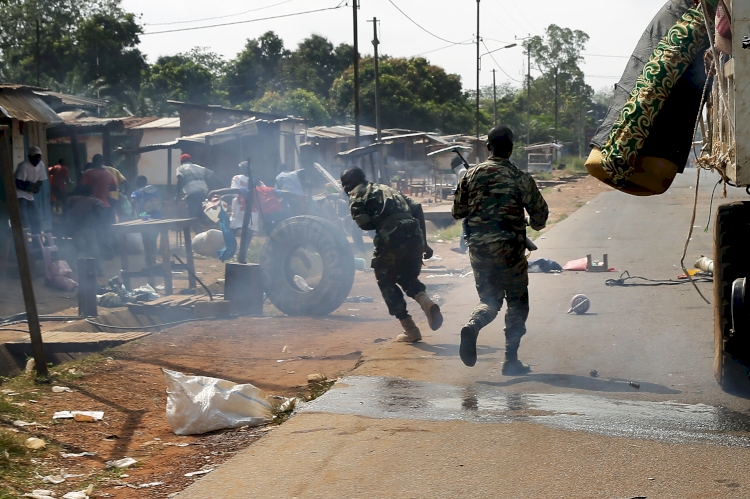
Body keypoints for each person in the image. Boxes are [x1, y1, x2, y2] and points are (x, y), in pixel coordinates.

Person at [452, 126, 549, 373]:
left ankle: (473, 325)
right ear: (511, 148)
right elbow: (540, 217)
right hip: (510, 250)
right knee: (517, 302)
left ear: (488, 147)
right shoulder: (520, 177)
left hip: (479, 249)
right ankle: (510, 360)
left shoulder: (470, 175)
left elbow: (457, 212)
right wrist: (529, 222)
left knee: (489, 300)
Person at [341, 166, 442, 343]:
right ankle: (426, 302)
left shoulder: (356, 193)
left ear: (356, 181)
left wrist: (378, 223)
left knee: (385, 278)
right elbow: (417, 207)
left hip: (392, 235)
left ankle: (410, 329)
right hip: (414, 234)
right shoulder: (388, 188)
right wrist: (424, 243)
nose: (345, 188)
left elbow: (364, 224)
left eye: (346, 184)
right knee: (405, 276)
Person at [65, 184, 105, 276]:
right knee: (94, 248)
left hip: (75, 228)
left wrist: (67, 223)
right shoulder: (95, 201)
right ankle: (99, 270)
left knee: (80, 249)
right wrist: (102, 226)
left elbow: (65, 210)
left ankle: (80, 270)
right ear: (92, 192)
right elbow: (100, 214)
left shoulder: (72, 199)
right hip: (89, 228)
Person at [81, 155, 117, 259]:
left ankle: (93, 255)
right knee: (104, 229)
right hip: (104, 204)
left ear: (92, 161)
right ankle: (108, 254)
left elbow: (83, 187)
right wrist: (104, 189)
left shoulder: (88, 173)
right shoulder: (108, 173)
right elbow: (114, 187)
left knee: (91, 230)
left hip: (90, 205)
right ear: (103, 162)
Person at [14, 146, 47, 237]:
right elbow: (18, 184)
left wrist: (32, 186)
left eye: (39, 156)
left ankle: (37, 242)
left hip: (30, 196)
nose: (38, 159)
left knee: (36, 219)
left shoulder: (41, 165)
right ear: (30, 157)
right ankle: (23, 242)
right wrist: (32, 187)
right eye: (35, 157)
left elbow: (40, 181)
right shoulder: (23, 166)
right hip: (20, 195)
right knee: (23, 217)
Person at [131, 175, 163, 266]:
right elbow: (161, 203)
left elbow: (133, 202)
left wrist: (134, 212)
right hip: (157, 217)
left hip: (144, 217)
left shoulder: (137, 192)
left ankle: (148, 259)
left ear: (137, 184)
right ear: (146, 183)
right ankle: (153, 258)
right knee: (153, 239)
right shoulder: (154, 191)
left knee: (145, 238)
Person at [175, 153, 210, 230]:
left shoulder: (180, 168)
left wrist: (177, 196)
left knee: (193, 218)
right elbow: (212, 175)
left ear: (181, 162)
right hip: (203, 194)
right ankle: (212, 230)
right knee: (203, 215)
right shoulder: (198, 167)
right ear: (190, 160)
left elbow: (180, 180)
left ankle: (199, 235)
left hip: (191, 195)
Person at [93, 154, 129, 221]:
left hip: (98, 197)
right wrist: (124, 192)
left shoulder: (94, 170)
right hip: (113, 197)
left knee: (99, 217)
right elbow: (127, 184)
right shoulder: (114, 170)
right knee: (111, 214)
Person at [449, 155, 469, 255]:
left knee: (466, 223)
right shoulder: (463, 170)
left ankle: (462, 247)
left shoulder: (462, 171)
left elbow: (463, 189)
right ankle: (463, 247)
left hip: (469, 203)